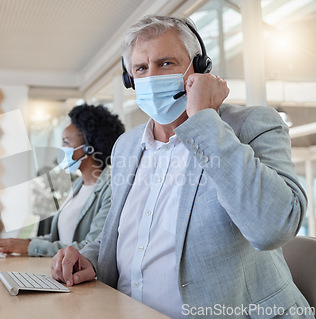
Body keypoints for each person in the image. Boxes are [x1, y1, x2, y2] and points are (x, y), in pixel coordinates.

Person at [51, 15, 313, 319]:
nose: (150, 77)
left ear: (199, 68)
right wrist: (90, 260)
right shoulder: (127, 145)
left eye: (166, 64)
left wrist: (203, 121)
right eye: (140, 68)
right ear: (130, 80)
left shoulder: (251, 125)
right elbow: (120, 232)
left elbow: (273, 227)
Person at [0, 104, 125, 257]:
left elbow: (92, 247)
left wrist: (29, 247)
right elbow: (58, 239)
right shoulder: (79, 185)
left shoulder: (111, 189)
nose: (61, 148)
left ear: (89, 148)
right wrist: (20, 244)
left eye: (66, 142)